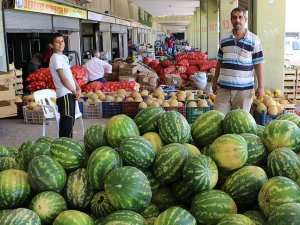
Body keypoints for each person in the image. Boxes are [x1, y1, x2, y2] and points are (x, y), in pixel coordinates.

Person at [212, 7, 264, 115]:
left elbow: (258, 64)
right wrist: (214, 80)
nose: (237, 20)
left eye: (240, 17)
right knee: (218, 119)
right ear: (231, 20)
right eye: (234, 18)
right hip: (224, 89)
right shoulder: (224, 39)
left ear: (245, 19)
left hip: (244, 91)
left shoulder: (254, 40)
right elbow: (220, 62)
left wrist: (261, 86)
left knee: (240, 124)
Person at [49, 33, 81, 138]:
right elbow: (63, 79)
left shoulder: (63, 57)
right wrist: (73, 91)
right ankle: (63, 147)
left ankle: (68, 146)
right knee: (66, 125)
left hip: (70, 93)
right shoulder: (55, 58)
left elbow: (70, 74)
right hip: (64, 95)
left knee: (70, 123)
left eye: (62, 41)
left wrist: (78, 88)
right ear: (51, 45)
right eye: (57, 42)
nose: (61, 44)